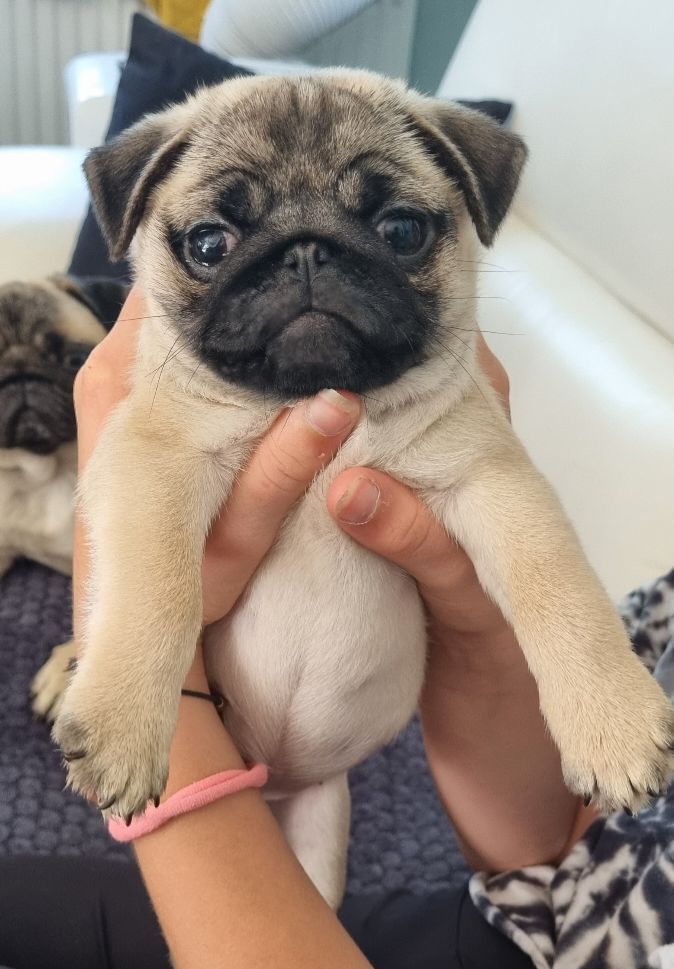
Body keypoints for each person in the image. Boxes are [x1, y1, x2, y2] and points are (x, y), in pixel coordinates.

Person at [0, 288, 598, 969]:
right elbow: (545, 847)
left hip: (429, 860)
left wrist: (146, 665)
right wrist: (479, 615)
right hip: (526, 844)